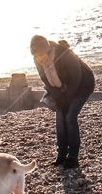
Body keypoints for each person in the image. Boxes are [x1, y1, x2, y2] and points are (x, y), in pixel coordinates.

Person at [30, 35, 95, 169]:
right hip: (61, 87)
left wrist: (67, 99)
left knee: (70, 116)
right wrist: (59, 97)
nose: (39, 58)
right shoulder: (37, 59)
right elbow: (46, 80)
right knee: (60, 118)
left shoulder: (64, 55)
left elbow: (76, 78)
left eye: (41, 55)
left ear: (47, 50)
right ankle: (61, 155)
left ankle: (73, 157)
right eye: (36, 56)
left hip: (83, 85)